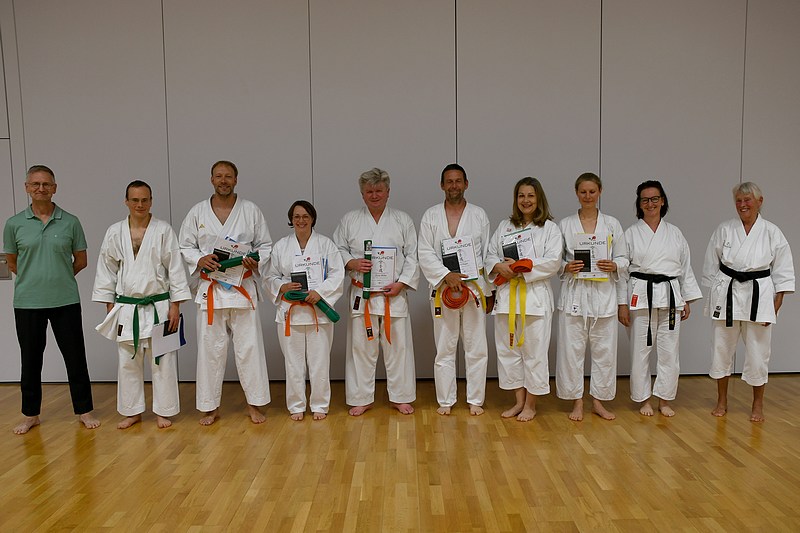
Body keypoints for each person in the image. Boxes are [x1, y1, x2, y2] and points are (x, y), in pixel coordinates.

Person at [3, 165, 100, 434]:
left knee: (75, 357)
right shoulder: (14, 224)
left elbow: (81, 260)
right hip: (27, 302)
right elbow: (12, 262)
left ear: (55, 188)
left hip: (65, 300)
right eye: (35, 184)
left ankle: (84, 410)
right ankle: (30, 414)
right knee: (30, 360)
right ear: (27, 188)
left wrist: (58, 277)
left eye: (46, 184)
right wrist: (35, 278)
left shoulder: (70, 221)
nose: (41, 188)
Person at [179, 160, 272, 425]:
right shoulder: (197, 212)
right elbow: (184, 246)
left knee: (249, 349)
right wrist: (199, 259)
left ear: (236, 180)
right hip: (211, 289)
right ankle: (210, 407)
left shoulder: (250, 210)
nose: (223, 181)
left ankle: (255, 404)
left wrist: (255, 261)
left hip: (242, 289)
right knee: (210, 351)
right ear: (211, 179)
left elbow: (265, 246)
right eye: (219, 176)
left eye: (228, 176)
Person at [92, 180, 192, 429]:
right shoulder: (115, 232)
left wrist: (176, 305)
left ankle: (163, 411)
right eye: (135, 200)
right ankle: (132, 411)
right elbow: (106, 268)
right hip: (127, 307)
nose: (140, 204)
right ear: (126, 201)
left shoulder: (163, 230)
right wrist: (109, 304)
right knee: (128, 361)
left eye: (144, 200)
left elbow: (175, 269)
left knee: (164, 360)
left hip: (159, 305)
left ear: (151, 201)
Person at [703, 182, 794, 422]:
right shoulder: (724, 229)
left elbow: (783, 270)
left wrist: (776, 304)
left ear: (759, 201)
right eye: (739, 201)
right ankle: (722, 400)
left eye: (747, 200)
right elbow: (711, 266)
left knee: (758, 353)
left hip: (759, 296)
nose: (742, 205)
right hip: (727, 293)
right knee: (721, 349)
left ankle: (757, 403)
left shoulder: (772, 232)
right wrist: (714, 300)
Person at [333, 168, 420, 416]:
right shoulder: (350, 220)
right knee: (361, 348)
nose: (374, 195)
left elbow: (413, 256)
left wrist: (402, 283)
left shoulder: (402, 220)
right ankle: (361, 398)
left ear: (388, 192)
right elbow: (336, 249)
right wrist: (351, 262)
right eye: (369, 191)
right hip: (363, 294)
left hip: (394, 293)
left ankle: (401, 397)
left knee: (399, 348)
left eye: (379, 190)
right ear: (362, 194)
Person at [617, 180, 702, 417]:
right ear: (639, 204)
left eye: (655, 199)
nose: (650, 203)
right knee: (640, 351)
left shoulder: (675, 233)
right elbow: (621, 272)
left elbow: (685, 267)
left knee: (669, 352)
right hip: (640, 295)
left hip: (670, 296)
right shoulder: (630, 233)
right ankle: (643, 399)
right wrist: (622, 304)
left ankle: (664, 399)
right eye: (645, 199)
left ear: (662, 201)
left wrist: (686, 299)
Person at [486, 177, 562, 422]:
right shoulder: (505, 226)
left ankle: (531, 404)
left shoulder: (550, 229)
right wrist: (498, 266)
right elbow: (490, 255)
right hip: (507, 296)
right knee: (508, 351)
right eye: (521, 195)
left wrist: (520, 267)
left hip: (535, 298)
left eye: (530, 195)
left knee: (534, 353)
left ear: (539, 198)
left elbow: (553, 262)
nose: (525, 200)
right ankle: (518, 401)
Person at [418, 163, 491, 416]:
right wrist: (446, 275)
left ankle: (475, 400)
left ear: (466, 184)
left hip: (473, 290)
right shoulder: (430, 216)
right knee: (444, 347)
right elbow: (425, 252)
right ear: (442, 185)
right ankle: (446, 400)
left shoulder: (479, 215)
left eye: (458, 181)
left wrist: (489, 291)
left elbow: (487, 253)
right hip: (443, 290)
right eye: (449, 181)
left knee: (476, 347)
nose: (454, 186)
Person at [556, 173, 627, 421]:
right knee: (571, 351)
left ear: (600, 192)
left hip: (603, 294)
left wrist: (615, 265)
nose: (588, 196)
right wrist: (566, 266)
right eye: (583, 192)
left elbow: (624, 258)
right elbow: (554, 260)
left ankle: (598, 401)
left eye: (592, 192)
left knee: (604, 351)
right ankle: (576, 401)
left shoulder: (612, 224)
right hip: (574, 294)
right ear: (576, 193)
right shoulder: (565, 225)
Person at [265, 200, 344, 421]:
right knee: (293, 364)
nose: (301, 220)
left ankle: (320, 404)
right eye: (297, 216)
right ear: (291, 220)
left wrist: (320, 292)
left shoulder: (326, 244)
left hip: (318, 311)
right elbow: (269, 276)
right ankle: (296, 405)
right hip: (290, 312)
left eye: (305, 216)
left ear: (312, 219)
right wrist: (282, 286)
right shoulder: (281, 246)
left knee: (320, 363)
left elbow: (337, 274)